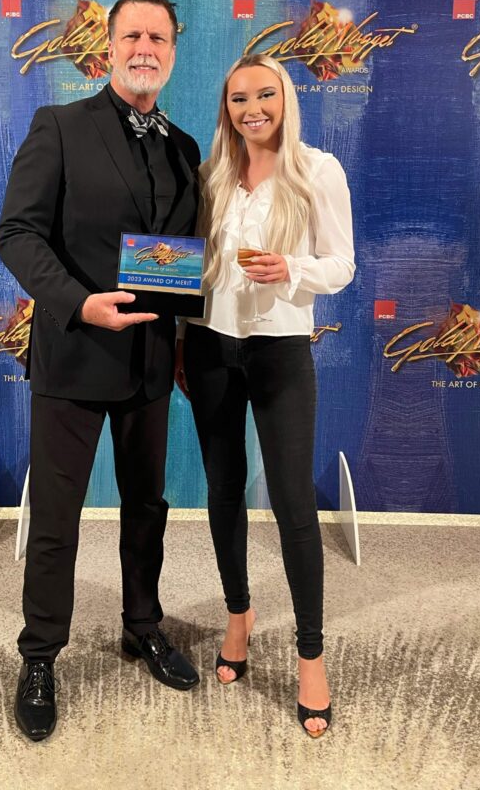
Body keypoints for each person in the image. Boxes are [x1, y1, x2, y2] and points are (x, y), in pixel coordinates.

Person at [0, 0, 201, 742]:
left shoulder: (185, 147)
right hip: (74, 357)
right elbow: (17, 233)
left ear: (172, 53)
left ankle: (141, 626)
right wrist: (78, 303)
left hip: (151, 364)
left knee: (147, 508)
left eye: (158, 38)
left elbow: (180, 258)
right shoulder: (58, 126)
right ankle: (39, 655)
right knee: (56, 520)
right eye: (133, 37)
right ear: (108, 48)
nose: (145, 49)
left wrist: (185, 341)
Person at [175, 53, 355, 738]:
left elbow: (342, 264)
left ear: (285, 99)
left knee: (293, 505)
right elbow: (191, 267)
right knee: (223, 491)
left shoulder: (318, 170)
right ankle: (238, 615)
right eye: (238, 99)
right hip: (210, 347)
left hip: (281, 351)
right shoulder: (211, 177)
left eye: (264, 95)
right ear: (226, 108)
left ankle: (311, 656)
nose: (252, 109)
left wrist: (292, 268)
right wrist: (180, 339)